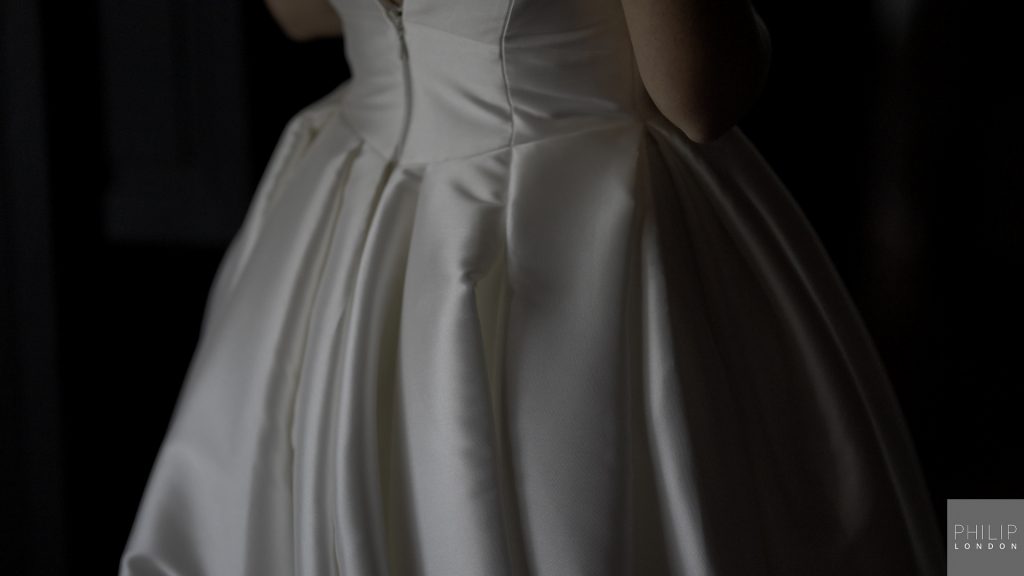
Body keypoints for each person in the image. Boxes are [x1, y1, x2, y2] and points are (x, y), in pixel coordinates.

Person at [119, 0, 944, 574]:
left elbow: (298, 12)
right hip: (571, 233)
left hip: (356, 221)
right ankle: (1002, 547)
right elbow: (700, 87)